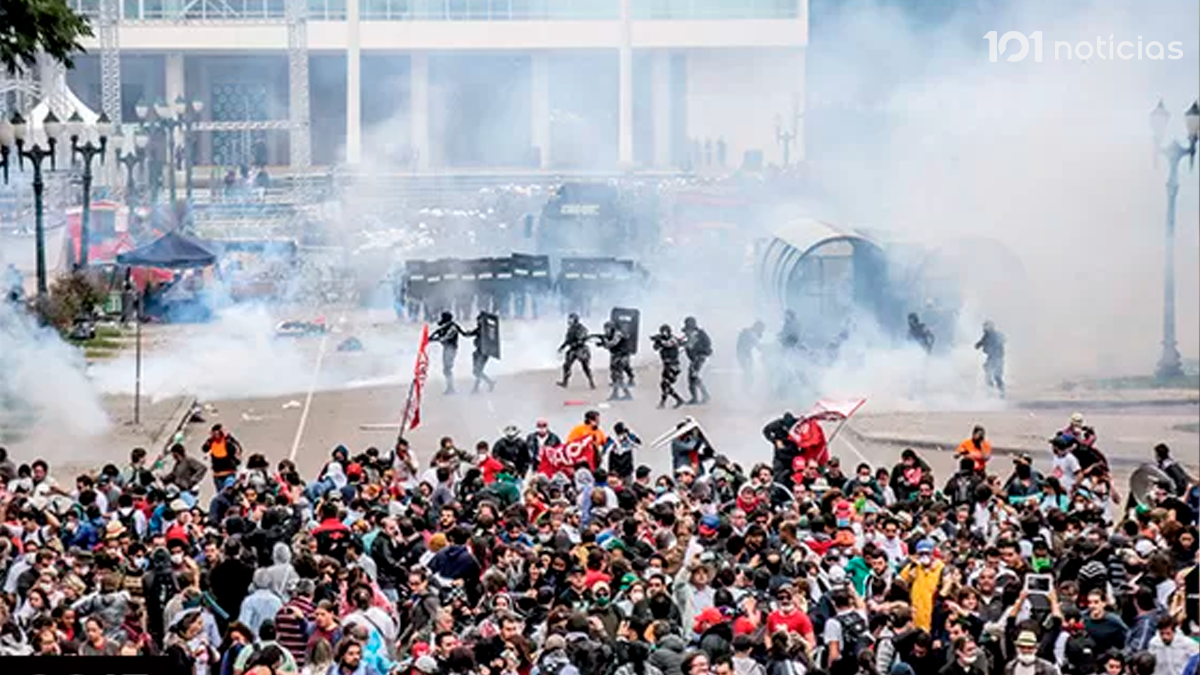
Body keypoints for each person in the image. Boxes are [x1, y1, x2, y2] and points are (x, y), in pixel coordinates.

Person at [557, 313, 596, 389]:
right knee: (566, 366)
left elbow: (582, 338)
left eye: (571, 319)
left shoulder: (581, 328)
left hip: (581, 349)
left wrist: (577, 342)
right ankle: (565, 382)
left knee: (585, 367)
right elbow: (568, 340)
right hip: (573, 349)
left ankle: (591, 382)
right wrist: (562, 347)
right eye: (569, 319)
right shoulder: (570, 329)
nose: (569, 321)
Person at [430, 311, 465, 395]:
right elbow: (438, 331)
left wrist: (433, 339)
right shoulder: (447, 326)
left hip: (451, 349)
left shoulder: (453, 327)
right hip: (447, 349)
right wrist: (432, 337)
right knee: (446, 369)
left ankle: (451, 388)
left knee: (447, 369)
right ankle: (450, 388)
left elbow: (446, 337)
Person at [598, 320, 634, 401]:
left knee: (618, 377)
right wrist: (602, 344)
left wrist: (604, 341)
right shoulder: (610, 335)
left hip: (621, 357)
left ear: (612, 328)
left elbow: (612, 344)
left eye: (607, 328)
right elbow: (609, 346)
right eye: (605, 329)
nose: (606, 330)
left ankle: (626, 394)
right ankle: (617, 394)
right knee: (614, 377)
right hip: (616, 357)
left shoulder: (617, 334)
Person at [651, 325, 685, 409]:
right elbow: (655, 348)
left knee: (666, 384)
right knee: (664, 385)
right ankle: (677, 400)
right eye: (662, 331)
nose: (664, 333)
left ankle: (664, 403)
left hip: (673, 366)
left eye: (665, 331)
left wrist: (660, 340)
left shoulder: (673, 339)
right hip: (667, 365)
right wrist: (657, 341)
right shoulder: (662, 340)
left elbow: (669, 344)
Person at [680, 317, 712, 405]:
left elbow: (708, 345)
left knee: (694, 377)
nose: (686, 332)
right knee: (692, 378)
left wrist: (698, 349)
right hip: (694, 359)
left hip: (700, 358)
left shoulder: (700, 334)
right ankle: (697, 397)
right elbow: (687, 346)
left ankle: (703, 396)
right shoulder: (690, 337)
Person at [461, 312, 495, 394]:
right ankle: (487, 383)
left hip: (484, 352)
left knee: (477, 371)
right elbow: (469, 334)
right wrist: (461, 331)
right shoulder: (480, 329)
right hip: (479, 351)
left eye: (479, 320)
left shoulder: (486, 330)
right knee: (476, 371)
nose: (478, 322)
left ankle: (478, 387)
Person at [201, 424, 242, 492]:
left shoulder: (228, 440)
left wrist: (228, 439)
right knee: (221, 493)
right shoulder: (211, 441)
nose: (216, 436)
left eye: (218, 433)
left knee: (230, 492)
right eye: (214, 434)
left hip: (229, 472)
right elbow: (204, 449)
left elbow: (236, 450)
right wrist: (208, 441)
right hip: (217, 473)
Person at [974, 320, 1006, 395]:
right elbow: (980, 343)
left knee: (996, 376)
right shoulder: (987, 336)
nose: (984, 329)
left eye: (985, 327)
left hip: (997, 358)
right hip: (991, 358)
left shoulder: (995, 335)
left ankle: (1001, 394)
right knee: (989, 376)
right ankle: (991, 393)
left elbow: (1003, 339)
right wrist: (979, 344)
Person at [736, 321, 765, 388]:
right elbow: (759, 347)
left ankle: (746, 388)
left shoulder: (747, 332)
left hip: (744, 354)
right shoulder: (751, 334)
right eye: (761, 330)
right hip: (744, 355)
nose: (762, 332)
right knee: (749, 373)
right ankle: (746, 389)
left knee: (749, 373)